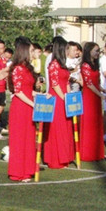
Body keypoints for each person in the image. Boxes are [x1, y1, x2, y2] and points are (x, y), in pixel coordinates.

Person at [7, 37, 37, 182]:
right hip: (20, 108)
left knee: (29, 137)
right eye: (31, 51)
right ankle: (18, 171)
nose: (33, 53)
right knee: (19, 139)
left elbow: (28, 89)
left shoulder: (27, 68)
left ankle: (27, 169)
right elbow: (18, 91)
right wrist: (33, 104)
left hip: (28, 106)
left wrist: (41, 96)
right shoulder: (18, 68)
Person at [43, 36, 75, 169]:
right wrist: (64, 98)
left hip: (64, 97)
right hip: (56, 98)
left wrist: (69, 96)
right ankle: (55, 158)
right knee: (57, 129)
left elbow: (66, 81)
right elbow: (55, 84)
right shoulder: (54, 65)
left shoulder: (62, 64)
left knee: (65, 128)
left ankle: (64, 156)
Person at [80, 43, 106, 161]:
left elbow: (96, 83)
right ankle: (88, 152)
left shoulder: (95, 65)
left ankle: (96, 152)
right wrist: (100, 94)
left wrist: (104, 90)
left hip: (96, 96)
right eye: (96, 51)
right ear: (89, 51)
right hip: (89, 97)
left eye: (98, 51)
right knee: (89, 123)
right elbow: (89, 84)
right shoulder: (85, 66)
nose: (97, 53)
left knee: (96, 123)